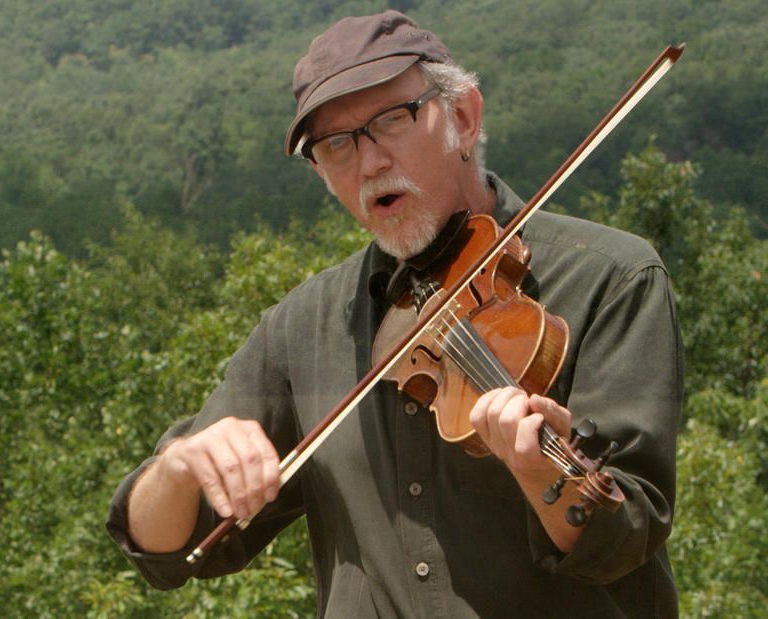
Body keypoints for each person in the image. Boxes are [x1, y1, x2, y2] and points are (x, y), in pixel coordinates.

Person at [107, 10, 682, 618]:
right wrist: (176, 467)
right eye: (335, 144)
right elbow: (164, 551)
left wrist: (541, 471)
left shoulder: (612, 277)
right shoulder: (302, 327)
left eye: (390, 121)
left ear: (462, 117)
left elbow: (629, 537)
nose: (369, 163)